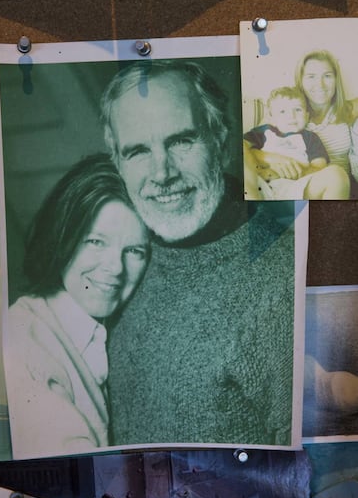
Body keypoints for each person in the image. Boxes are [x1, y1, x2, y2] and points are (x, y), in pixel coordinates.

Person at [101, 60, 300, 447]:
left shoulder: (283, 282)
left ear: (221, 140)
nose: (162, 173)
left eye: (180, 141)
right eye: (138, 151)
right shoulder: (118, 263)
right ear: (118, 165)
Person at [4, 155, 149, 459]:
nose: (115, 268)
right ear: (63, 238)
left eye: (134, 251)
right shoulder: (23, 341)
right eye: (96, 241)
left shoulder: (104, 332)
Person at [248, 50, 358, 198]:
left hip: (332, 185)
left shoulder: (346, 110)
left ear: (336, 80)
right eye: (311, 76)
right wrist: (271, 158)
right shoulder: (286, 114)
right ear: (301, 80)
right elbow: (246, 146)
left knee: (336, 175)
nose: (320, 84)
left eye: (327, 76)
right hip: (280, 183)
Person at [244, 86, 349, 200]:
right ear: (271, 118)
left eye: (298, 109)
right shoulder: (264, 131)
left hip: (295, 189)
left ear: (307, 116)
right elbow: (240, 146)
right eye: (282, 111)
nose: (291, 116)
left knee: (337, 175)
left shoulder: (310, 138)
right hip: (260, 185)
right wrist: (263, 164)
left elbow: (319, 168)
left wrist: (291, 172)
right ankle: (253, 207)